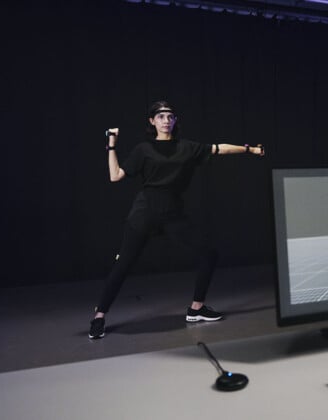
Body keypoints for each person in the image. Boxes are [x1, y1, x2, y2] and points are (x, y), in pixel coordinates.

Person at [89, 101, 265, 339]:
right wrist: (111, 145)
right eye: (160, 116)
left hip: (173, 214)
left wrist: (250, 150)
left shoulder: (187, 147)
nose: (165, 120)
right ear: (152, 122)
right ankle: (99, 316)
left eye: (170, 116)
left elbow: (219, 149)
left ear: (174, 121)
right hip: (145, 214)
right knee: (123, 265)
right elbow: (115, 176)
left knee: (208, 253)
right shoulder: (143, 149)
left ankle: (196, 309)